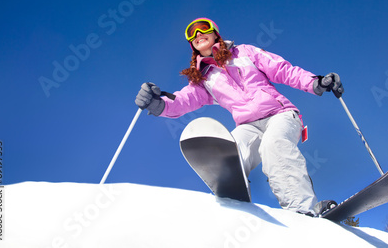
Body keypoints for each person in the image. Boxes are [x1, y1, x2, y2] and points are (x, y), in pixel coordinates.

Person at [135, 18, 344, 217]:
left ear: (215, 33)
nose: (197, 33)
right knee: (229, 152)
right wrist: (159, 104)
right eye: (192, 33)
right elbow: (184, 100)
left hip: (280, 115)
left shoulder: (244, 52)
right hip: (247, 126)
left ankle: (302, 209)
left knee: (274, 145)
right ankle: (233, 207)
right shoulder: (203, 79)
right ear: (192, 44)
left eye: (202, 27)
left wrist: (314, 82)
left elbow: (282, 69)